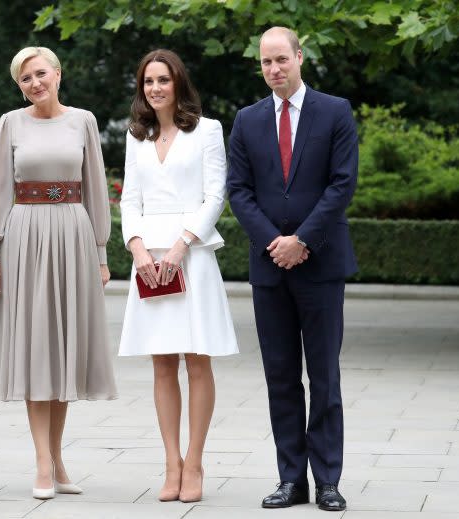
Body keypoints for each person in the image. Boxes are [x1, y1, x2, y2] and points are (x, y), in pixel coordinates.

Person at [227, 27, 358, 511]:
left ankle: (327, 480)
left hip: (320, 264)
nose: (274, 69)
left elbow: (342, 184)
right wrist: (273, 242)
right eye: (265, 62)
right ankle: (291, 479)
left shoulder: (334, 112)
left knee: (324, 376)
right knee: (280, 377)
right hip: (269, 269)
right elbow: (238, 191)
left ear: (300, 57)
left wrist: (302, 239)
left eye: (281, 59)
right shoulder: (247, 120)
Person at [0, 46, 117, 500]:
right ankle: (42, 463)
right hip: (26, 238)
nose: (34, 83)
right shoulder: (10, 123)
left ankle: (57, 460)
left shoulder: (84, 121)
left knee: (62, 351)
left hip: (74, 235)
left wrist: (100, 252)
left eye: (40, 74)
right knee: (37, 348)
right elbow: (0, 189)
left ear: (58, 74)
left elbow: (96, 185)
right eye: (25, 79)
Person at [118, 49, 239, 504]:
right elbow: (130, 199)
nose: (155, 88)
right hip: (148, 261)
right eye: (148, 81)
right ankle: (170, 463)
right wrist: (136, 249)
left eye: (163, 80)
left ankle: (195, 461)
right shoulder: (137, 135)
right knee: (162, 361)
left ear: (178, 83)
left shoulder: (207, 130)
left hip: (191, 254)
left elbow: (216, 195)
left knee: (197, 358)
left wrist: (181, 245)